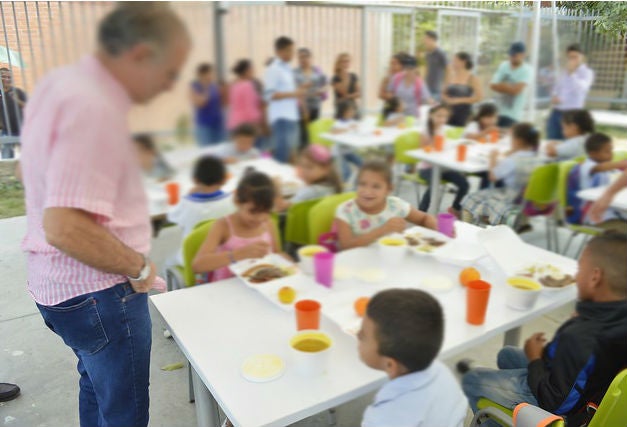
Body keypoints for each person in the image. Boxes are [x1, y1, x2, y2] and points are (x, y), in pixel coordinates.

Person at [19, 4, 190, 427]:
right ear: (141, 53)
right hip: (101, 293)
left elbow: (33, 172)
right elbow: (65, 227)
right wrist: (139, 266)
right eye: (170, 71)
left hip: (59, 289)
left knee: (96, 385)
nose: (169, 86)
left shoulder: (59, 85)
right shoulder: (95, 107)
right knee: (125, 411)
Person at [461, 232, 627, 427]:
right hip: (583, 383)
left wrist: (535, 360)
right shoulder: (614, 316)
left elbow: (555, 401)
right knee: (506, 355)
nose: (576, 275)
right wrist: (584, 316)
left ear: (595, 277)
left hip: (560, 407)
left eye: (581, 268)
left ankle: (493, 421)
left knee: (472, 379)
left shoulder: (581, 338)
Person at [358, 289, 467, 427]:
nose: (358, 335)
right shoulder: (441, 370)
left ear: (390, 365)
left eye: (363, 335)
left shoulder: (383, 419)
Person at [191, 171, 289, 282]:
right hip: (226, 286)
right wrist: (238, 254)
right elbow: (197, 265)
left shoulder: (268, 223)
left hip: (261, 283)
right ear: (237, 201)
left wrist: (291, 265)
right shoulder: (223, 226)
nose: (260, 218)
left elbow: (277, 254)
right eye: (253, 211)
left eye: (266, 211)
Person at [335, 159, 437, 250]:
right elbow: (346, 247)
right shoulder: (346, 210)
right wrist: (382, 230)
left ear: (389, 189)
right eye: (362, 184)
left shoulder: (395, 205)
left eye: (376, 186)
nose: (367, 191)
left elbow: (424, 218)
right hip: (357, 262)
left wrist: (440, 229)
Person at [462, 123, 542, 225]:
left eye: (511, 138)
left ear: (518, 141)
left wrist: (492, 158)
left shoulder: (512, 160)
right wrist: (512, 152)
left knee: (470, 198)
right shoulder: (538, 157)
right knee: (488, 193)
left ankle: (467, 225)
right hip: (527, 200)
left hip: (511, 198)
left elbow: (492, 177)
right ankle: (485, 220)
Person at [167, 155, 236, 263]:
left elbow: (172, 217)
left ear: (195, 179)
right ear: (224, 179)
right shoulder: (232, 201)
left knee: (169, 261)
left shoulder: (187, 202)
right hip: (223, 259)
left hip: (191, 259)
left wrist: (189, 195)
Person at [567, 133, 627, 232]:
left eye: (611, 150)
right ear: (593, 154)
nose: (611, 154)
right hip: (595, 214)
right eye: (607, 151)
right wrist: (620, 164)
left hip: (614, 208)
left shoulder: (611, 169)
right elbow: (599, 168)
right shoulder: (586, 166)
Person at [418, 104, 469, 217]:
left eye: (445, 117)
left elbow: (444, 147)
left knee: (464, 184)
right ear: (431, 115)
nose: (442, 119)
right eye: (439, 116)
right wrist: (435, 140)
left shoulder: (442, 130)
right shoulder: (425, 131)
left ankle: (455, 208)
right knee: (434, 185)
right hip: (427, 168)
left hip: (443, 168)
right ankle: (421, 212)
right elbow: (422, 152)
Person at [264, 36, 304, 163]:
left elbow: (288, 91)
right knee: (282, 156)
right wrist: (294, 93)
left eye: (292, 50)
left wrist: (298, 91)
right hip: (281, 118)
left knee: (292, 155)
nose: (292, 54)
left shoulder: (287, 68)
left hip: (291, 116)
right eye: (289, 50)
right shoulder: (274, 69)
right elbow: (269, 95)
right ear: (279, 51)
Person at [546, 44, 595, 140]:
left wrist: (572, 74)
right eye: (570, 57)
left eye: (575, 57)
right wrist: (554, 95)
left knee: (569, 142)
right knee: (552, 139)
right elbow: (556, 86)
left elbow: (582, 88)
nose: (572, 60)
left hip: (573, 113)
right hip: (557, 111)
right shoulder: (563, 71)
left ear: (582, 57)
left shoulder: (587, 72)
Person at [275, 144, 342, 212]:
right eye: (302, 165)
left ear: (325, 169)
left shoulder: (309, 192)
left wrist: (276, 188)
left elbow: (281, 208)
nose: (304, 170)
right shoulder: (332, 186)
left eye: (309, 167)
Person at [490, 42, 532, 128]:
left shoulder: (527, 70)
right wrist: (509, 87)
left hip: (513, 116)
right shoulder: (503, 65)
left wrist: (502, 86)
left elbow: (516, 91)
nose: (512, 57)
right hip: (496, 114)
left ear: (523, 55)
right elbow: (492, 85)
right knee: (493, 135)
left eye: (515, 55)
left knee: (506, 135)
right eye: (511, 55)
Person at [293, 48, 327, 148]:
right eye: (300, 57)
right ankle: (303, 154)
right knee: (303, 136)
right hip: (301, 108)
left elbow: (325, 84)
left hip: (315, 106)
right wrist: (304, 111)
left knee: (314, 134)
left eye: (305, 57)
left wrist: (322, 90)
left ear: (310, 57)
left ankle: (313, 153)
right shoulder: (295, 72)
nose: (302, 60)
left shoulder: (317, 70)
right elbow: (296, 91)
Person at [441, 52, 483, 127]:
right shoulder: (450, 76)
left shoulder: (472, 78)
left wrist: (457, 100)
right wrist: (446, 99)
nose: (452, 63)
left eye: (455, 60)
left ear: (463, 62)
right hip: (448, 112)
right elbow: (443, 92)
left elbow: (479, 97)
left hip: (463, 114)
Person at [190, 63, 224, 146]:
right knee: (206, 151)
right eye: (210, 73)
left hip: (217, 123)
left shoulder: (214, 86)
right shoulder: (195, 86)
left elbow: (220, 104)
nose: (212, 76)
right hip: (204, 125)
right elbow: (201, 103)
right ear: (202, 74)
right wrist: (205, 87)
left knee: (219, 150)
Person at [330, 99, 364, 181]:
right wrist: (348, 128)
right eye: (349, 110)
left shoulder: (353, 122)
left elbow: (358, 131)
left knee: (363, 165)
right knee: (346, 172)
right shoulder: (338, 123)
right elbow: (333, 131)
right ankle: (343, 186)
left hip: (349, 151)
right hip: (339, 153)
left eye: (353, 110)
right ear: (343, 112)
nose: (352, 112)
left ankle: (359, 183)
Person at [227, 59, 263, 134]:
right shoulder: (247, 86)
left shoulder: (234, 86)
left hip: (235, 123)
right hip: (246, 126)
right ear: (247, 71)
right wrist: (256, 124)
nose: (254, 72)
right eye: (252, 69)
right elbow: (249, 108)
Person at [0, 67, 27, 158]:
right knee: (6, 158)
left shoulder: (17, 92)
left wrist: (17, 100)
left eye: (9, 77)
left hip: (22, 129)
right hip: (6, 131)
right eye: (4, 76)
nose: (7, 79)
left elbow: (30, 106)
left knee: (29, 157)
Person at [332, 52, 361, 118]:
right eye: (343, 61)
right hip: (341, 108)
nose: (346, 63)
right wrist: (345, 76)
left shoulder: (353, 76)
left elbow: (358, 94)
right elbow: (343, 92)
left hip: (352, 107)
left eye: (348, 61)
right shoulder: (335, 78)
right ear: (339, 63)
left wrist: (347, 96)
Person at [423, 30, 448, 100]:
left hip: (437, 89)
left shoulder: (441, 53)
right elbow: (427, 68)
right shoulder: (427, 54)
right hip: (427, 87)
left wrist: (445, 86)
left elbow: (448, 69)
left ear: (433, 39)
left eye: (426, 39)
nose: (424, 41)